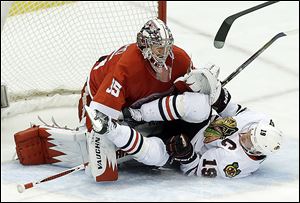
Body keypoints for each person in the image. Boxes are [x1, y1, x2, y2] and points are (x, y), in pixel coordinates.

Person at [14, 18, 205, 181]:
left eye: (165, 47)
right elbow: (99, 116)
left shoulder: (180, 60)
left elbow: (192, 94)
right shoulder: (127, 66)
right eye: (156, 48)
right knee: (94, 141)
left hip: (141, 107)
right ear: (144, 45)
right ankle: (55, 139)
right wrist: (99, 152)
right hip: (97, 97)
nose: (162, 53)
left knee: (188, 116)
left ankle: (140, 134)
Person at [115, 71, 283, 178]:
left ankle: (118, 143)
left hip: (184, 147)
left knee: (157, 153)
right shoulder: (259, 120)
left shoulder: (236, 165)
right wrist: (216, 94)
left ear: (255, 152)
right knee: (200, 104)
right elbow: (230, 109)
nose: (244, 135)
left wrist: (186, 154)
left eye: (248, 141)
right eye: (249, 132)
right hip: (201, 122)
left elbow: (195, 170)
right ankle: (135, 114)